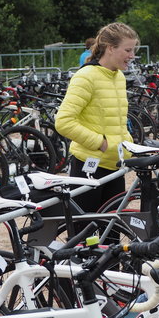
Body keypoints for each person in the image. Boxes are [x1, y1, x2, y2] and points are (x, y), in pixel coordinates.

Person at [56, 22, 139, 212]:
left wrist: (127, 142)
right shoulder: (86, 76)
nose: (132, 56)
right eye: (127, 50)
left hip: (116, 164)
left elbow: (116, 118)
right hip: (89, 165)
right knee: (86, 233)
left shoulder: (118, 76)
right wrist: (99, 143)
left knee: (112, 234)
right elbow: (63, 121)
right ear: (110, 48)